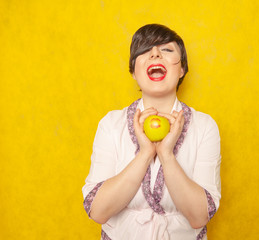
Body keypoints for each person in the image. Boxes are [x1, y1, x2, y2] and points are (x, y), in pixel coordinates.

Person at [82, 23, 221, 240]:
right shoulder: (110, 124)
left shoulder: (204, 126)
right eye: (146, 50)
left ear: (182, 69)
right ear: (133, 72)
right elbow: (98, 211)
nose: (155, 53)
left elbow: (199, 216)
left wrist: (166, 154)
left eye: (166, 50)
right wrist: (145, 153)